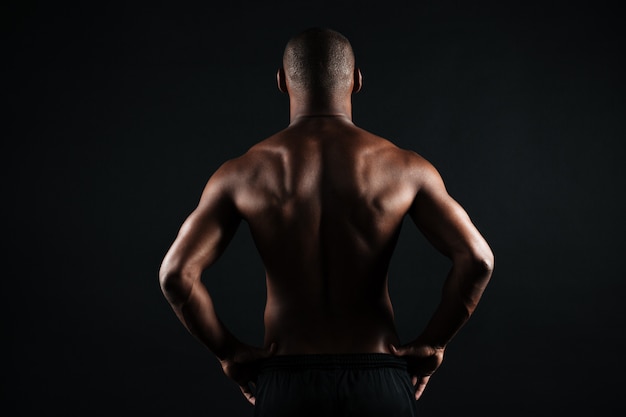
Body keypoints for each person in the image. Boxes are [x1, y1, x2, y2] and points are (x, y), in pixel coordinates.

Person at [159, 27, 494, 417]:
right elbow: (478, 260)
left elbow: (175, 275)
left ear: (282, 82)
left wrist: (228, 352)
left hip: (287, 382)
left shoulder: (242, 173)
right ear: (356, 81)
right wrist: (435, 342)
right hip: (378, 380)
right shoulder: (405, 169)